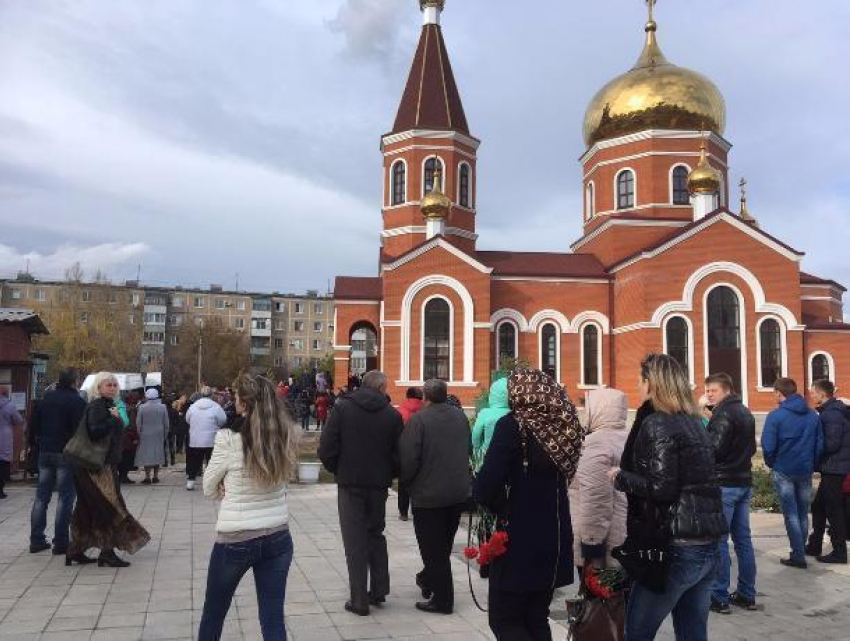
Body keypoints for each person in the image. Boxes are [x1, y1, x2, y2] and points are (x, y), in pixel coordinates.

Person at [609, 354, 727, 641]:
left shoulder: (658, 423)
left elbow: (662, 487)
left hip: (677, 547)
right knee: (692, 632)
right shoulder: (694, 423)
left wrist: (619, 477)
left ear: (652, 383)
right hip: (708, 543)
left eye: (640, 380)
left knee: (637, 632)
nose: (637, 386)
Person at [474, 369, 584, 639]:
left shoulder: (513, 426)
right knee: (536, 618)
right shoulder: (562, 428)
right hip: (554, 539)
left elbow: (486, 488)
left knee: (505, 620)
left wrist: (499, 503)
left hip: (518, 540)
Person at [199, 375, 298, 640]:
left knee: (214, 613)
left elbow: (209, 487)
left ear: (242, 402)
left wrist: (224, 485)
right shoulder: (283, 435)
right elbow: (283, 478)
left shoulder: (229, 439)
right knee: (273, 617)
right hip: (278, 535)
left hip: (237, 538)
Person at [318, 370, 404, 617]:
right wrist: (388, 473)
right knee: (375, 534)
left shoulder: (343, 409)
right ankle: (378, 590)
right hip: (378, 486)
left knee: (355, 540)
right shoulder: (392, 416)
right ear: (382, 388)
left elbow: (326, 448)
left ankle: (359, 600)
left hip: (350, 484)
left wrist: (339, 470)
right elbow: (399, 455)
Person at [400, 379, 471, 615]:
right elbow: (468, 449)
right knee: (443, 545)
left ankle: (443, 600)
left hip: (428, 495)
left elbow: (409, 458)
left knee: (433, 550)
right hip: (457, 492)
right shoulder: (460, 417)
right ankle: (427, 579)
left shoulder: (420, 419)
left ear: (426, 398)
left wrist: (407, 484)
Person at [67, 372, 150, 567]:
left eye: (114, 385)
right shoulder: (98, 406)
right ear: (98, 387)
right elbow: (95, 431)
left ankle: (75, 549)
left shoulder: (108, 405)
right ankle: (106, 552)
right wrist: (114, 419)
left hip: (100, 464)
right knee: (110, 506)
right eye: (108, 385)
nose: (112, 387)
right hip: (96, 467)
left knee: (88, 507)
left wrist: (115, 419)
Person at [703, 372, 758, 613]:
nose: (708, 394)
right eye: (707, 391)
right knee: (743, 540)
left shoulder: (724, 414)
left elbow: (713, 449)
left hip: (724, 484)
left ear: (726, 390)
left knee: (719, 542)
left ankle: (719, 595)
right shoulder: (744, 411)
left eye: (712, 390)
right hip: (743, 482)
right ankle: (747, 594)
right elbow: (751, 447)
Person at [761, 377, 824, 569]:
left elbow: (768, 446)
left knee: (791, 514)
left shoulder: (775, 416)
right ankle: (799, 550)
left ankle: (798, 554)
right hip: (804, 469)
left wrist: (773, 464)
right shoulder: (813, 415)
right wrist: (813, 464)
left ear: (779, 393)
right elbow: (820, 444)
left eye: (774, 393)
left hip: (784, 469)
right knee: (803, 512)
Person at [28, 368, 86, 554]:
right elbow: (80, 430)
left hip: (45, 451)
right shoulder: (76, 401)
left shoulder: (46, 399)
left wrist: (34, 445)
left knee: (41, 497)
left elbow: (33, 425)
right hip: (66, 453)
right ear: (74, 381)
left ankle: (36, 540)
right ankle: (60, 542)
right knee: (65, 497)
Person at [572, 387, 628, 571]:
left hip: (603, 542)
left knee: (600, 594)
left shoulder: (596, 443)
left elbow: (596, 498)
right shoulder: (629, 438)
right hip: (625, 532)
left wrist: (591, 543)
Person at [807, 379, 850, 564]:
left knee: (834, 509)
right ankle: (815, 544)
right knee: (818, 506)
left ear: (822, 394)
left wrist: (814, 450)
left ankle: (840, 552)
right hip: (833, 466)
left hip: (834, 467)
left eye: (813, 392)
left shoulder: (831, 414)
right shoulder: (831, 411)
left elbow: (831, 444)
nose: (811, 395)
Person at [185, 386, 227, 491]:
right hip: (211, 439)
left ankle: (191, 481)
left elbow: (187, 419)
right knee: (211, 462)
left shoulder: (193, 406)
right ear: (211, 395)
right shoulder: (216, 407)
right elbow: (223, 420)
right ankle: (212, 484)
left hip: (196, 439)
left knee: (194, 461)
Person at [396, 387, 424, 522]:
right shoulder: (426, 410)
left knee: (403, 482)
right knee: (420, 481)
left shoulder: (400, 410)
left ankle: (403, 512)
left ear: (407, 396)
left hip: (404, 451)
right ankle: (417, 510)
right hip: (422, 451)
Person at [471, 377, 510, 472]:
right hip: (508, 457)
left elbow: (476, 435)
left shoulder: (485, 413)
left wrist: (477, 451)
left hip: (487, 455)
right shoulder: (514, 413)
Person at [135, 388, 170, 484]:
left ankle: (147, 477)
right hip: (159, 434)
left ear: (147, 396)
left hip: (145, 434)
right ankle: (155, 476)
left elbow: (138, 423)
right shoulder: (163, 407)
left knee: (147, 455)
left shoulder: (142, 407)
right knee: (157, 454)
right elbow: (166, 423)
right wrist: (165, 435)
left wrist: (139, 433)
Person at [0, 385, 24, 499]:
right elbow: (18, 420)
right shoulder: (10, 406)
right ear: (6, 394)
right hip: (4, 436)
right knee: (3, 462)